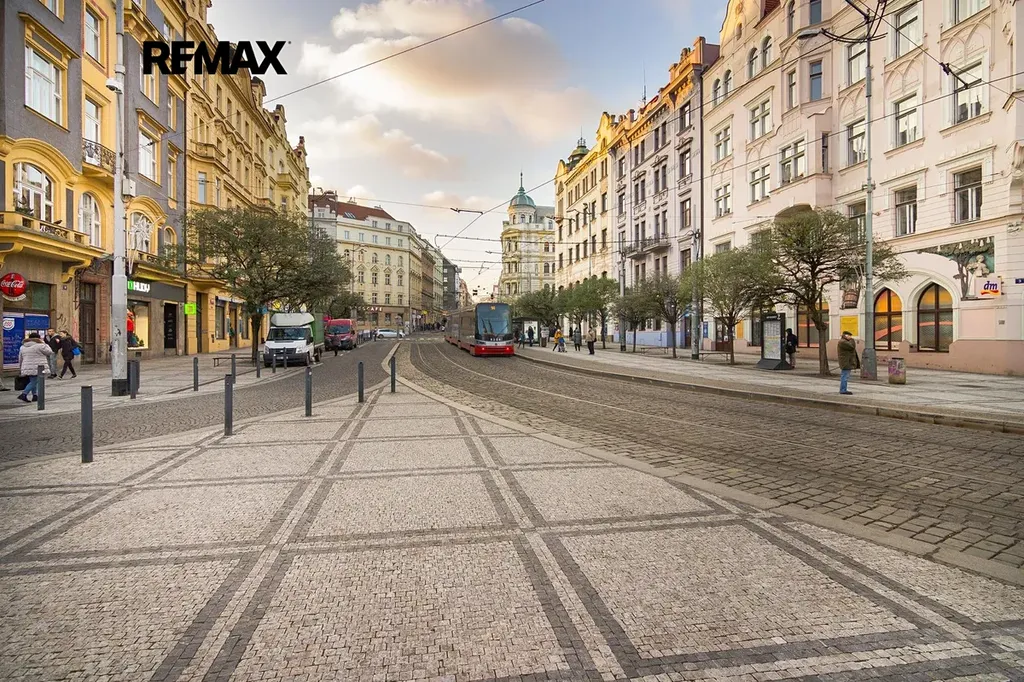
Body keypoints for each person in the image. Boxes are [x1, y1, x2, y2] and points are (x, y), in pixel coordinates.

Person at [16, 333, 53, 403]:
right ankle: (24, 394)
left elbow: (20, 358)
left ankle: (35, 395)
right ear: (38, 338)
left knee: (33, 380)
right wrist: (44, 343)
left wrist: (21, 367)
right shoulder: (40, 345)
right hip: (38, 366)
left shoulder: (23, 346)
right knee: (35, 381)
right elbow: (49, 352)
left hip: (27, 366)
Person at [837, 330, 860, 395]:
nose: (850, 337)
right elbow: (852, 347)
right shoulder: (843, 342)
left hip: (847, 361)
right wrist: (852, 340)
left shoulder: (844, 341)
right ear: (845, 335)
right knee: (845, 376)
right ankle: (843, 390)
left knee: (845, 376)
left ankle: (843, 389)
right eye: (849, 336)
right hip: (845, 362)